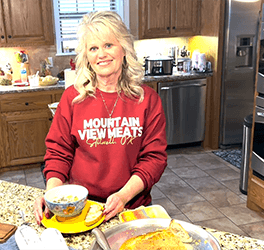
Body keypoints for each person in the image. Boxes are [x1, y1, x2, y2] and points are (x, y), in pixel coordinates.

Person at [34, 10, 167, 224]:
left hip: (132, 208)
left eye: (108, 45)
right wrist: (53, 196)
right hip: (82, 208)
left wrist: (123, 196)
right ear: (86, 56)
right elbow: (58, 152)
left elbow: (154, 158)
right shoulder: (73, 98)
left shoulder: (147, 100)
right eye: (93, 48)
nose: (101, 54)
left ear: (124, 48)